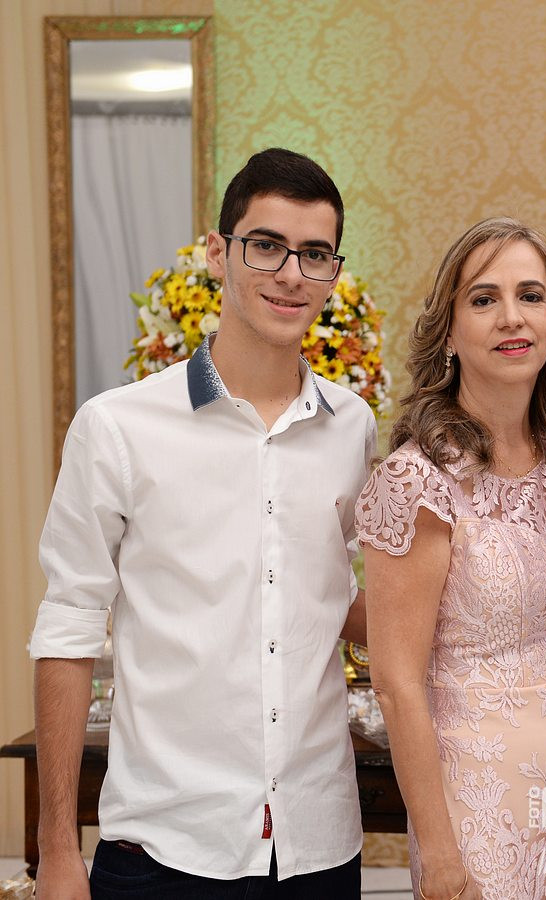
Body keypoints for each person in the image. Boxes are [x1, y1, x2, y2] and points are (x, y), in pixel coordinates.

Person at [30, 147, 375, 899]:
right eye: (267, 245)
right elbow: (69, 623)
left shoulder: (353, 427)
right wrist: (57, 849)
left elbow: (341, 599)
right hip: (164, 847)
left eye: (315, 254)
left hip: (317, 847)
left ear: (332, 274)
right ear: (219, 253)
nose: (291, 273)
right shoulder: (117, 427)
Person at [355, 217, 546, 900]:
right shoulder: (418, 482)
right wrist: (442, 859)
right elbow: (396, 683)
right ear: (448, 331)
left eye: (531, 295)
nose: (511, 317)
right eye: (483, 299)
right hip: (481, 821)